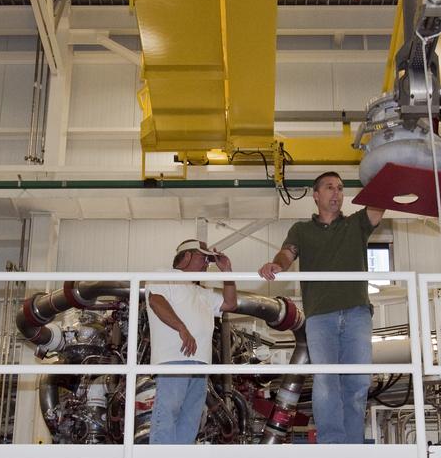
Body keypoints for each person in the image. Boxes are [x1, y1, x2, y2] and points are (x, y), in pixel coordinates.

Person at [259, 172, 385, 443]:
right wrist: (277, 265)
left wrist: (383, 173)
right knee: (326, 382)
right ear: (316, 195)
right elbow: (288, 252)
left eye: (340, 188)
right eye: (329, 187)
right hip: (320, 317)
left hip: (357, 313)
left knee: (358, 381)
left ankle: (353, 446)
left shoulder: (356, 224)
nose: (336, 192)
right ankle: (333, 445)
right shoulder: (301, 230)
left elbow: (378, 206)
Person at [146, 239, 237, 443]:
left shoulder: (202, 292)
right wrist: (182, 328)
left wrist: (227, 271)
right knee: (168, 412)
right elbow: (156, 301)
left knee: (191, 419)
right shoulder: (164, 276)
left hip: (201, 363)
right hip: (173, 359)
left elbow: (230, 303)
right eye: (203, 257)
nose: (207, 263)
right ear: (186, 256)